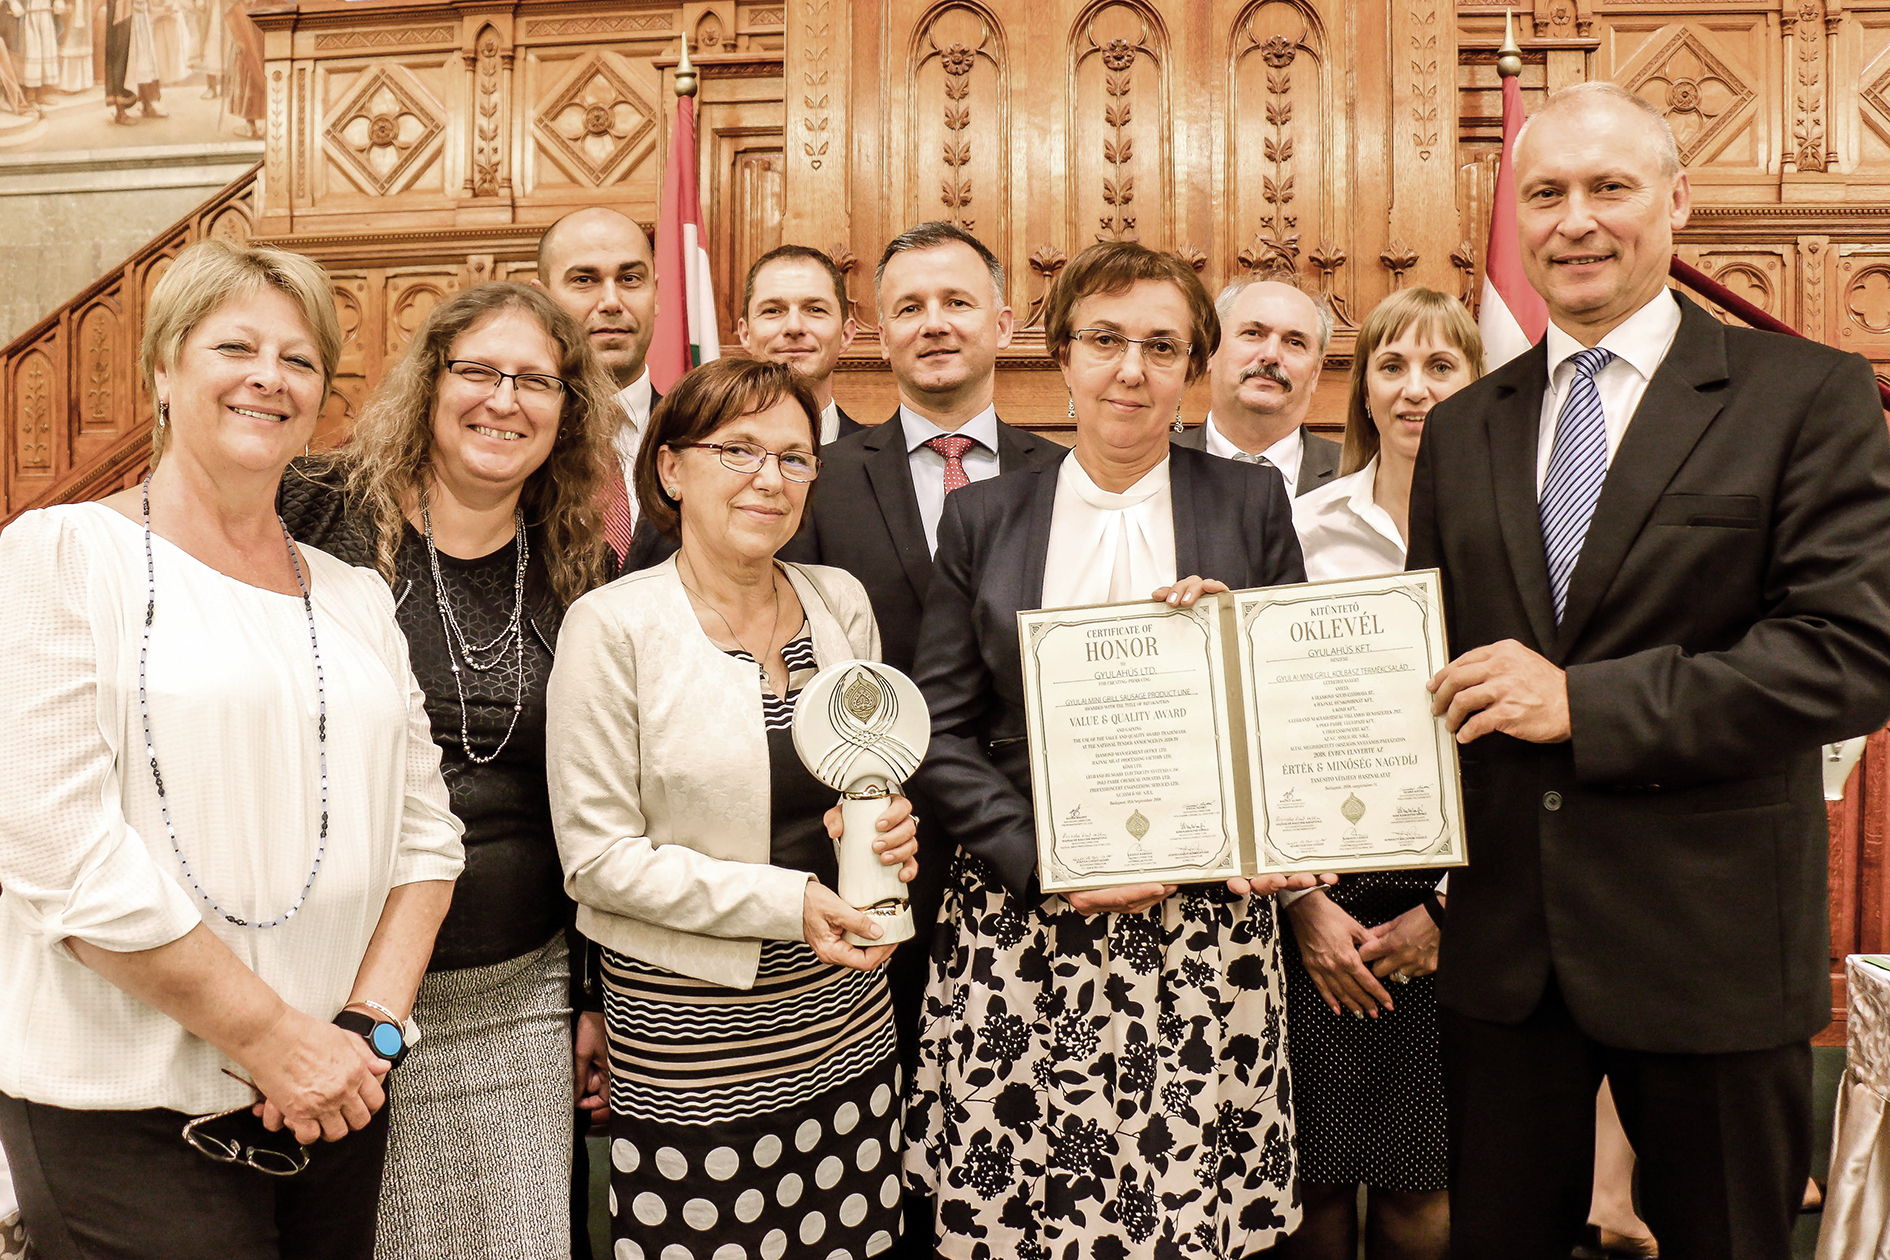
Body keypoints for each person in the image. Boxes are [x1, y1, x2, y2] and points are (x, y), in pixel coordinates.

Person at [1408, 81, 1890, 1259]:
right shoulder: (1465, 426)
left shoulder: (1804, 395)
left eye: (1608, 187)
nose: (1574, 220)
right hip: (1507, 961)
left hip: (1708, 948)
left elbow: (1849, 653)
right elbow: (1428, 664)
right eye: (1545, 194)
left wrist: (1583, 703)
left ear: (1676, 202)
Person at [0, 238, 465, 1260]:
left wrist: (365, 1033)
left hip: (337, 1098)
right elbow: (57, 852)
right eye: (235, 348)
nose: (270, 377)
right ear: (163, 370)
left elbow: (428, 841)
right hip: (126, 1116)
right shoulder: (62, 556)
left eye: (300, 360)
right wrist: (272, 1039)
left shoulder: (354, 595)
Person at [905, 240, 1316, 1257]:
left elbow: (1298, 709)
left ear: (1194, 367)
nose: (1131, 370)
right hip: (1025, 919)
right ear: (1063, 356)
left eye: (1162, 347)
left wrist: (1238, 638)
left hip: (1200, 924)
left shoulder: (1248, 504)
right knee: (1021, 1209)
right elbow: (938, 729)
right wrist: (1046, 859)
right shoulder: (982, 516)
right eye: (1105, 340)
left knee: (1181, 1210)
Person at [547, 356, 920, 1260]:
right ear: (672, 469)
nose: (770, 478)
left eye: (794, 458)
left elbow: (865, 776)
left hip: (845, 1011)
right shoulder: (612, 626)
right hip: (695, 1036)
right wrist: (787, 903)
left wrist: (887, 825)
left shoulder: (840, 602)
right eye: (739, 450)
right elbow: (596, 860)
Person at [278, 282, 618, 1260]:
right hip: (328, 989)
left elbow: (588, 805)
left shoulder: (580, 568)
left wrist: (590, 995)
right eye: (478, 371)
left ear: (567, 410)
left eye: (536, 381)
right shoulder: (313, 511)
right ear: (430, 382)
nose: (504, 400)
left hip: (517, 993)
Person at [778, 223, 1062, 1251]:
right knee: (879, 1149)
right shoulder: (812, 475)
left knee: (1019, 1144)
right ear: (877, 333)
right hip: (872, 863)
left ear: (1005, 322)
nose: (934, 323)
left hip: (1031, 859)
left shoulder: (1069, 475)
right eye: (909, 307)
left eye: (956, 302)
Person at [1278, 286, 1482, 1260]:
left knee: (1423, 1175)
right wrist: (1302, 902)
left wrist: (1448, 911)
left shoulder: (1519, 531)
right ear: (1362, 388)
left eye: (1441, 367)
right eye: (1391, 366)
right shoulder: (1302, 526)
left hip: (1464, 887)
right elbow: (1262, 722)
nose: (1415, 389)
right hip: (1321, 889)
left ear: (1480, 385)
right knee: (1311, 1175)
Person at [533, 207, 661, 571]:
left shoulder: (702, 435)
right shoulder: (509, 436)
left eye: (630, 279)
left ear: (656, 293)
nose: (611, 302)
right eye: (584, 280)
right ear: (542, 301)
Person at [1173, 276, 1342, 497]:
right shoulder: (1152, 465)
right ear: (1210, 351)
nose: (1271, 355)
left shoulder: (1358, 476)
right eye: (1252, 334)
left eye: (1294, 342)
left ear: (1315, 373)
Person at [735, 244, 864, 444]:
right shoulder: (706, 455)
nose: (794, 327)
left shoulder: (889, 460)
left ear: (846, 335)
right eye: (772, 311)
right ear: (745, 334)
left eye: (815, 310)